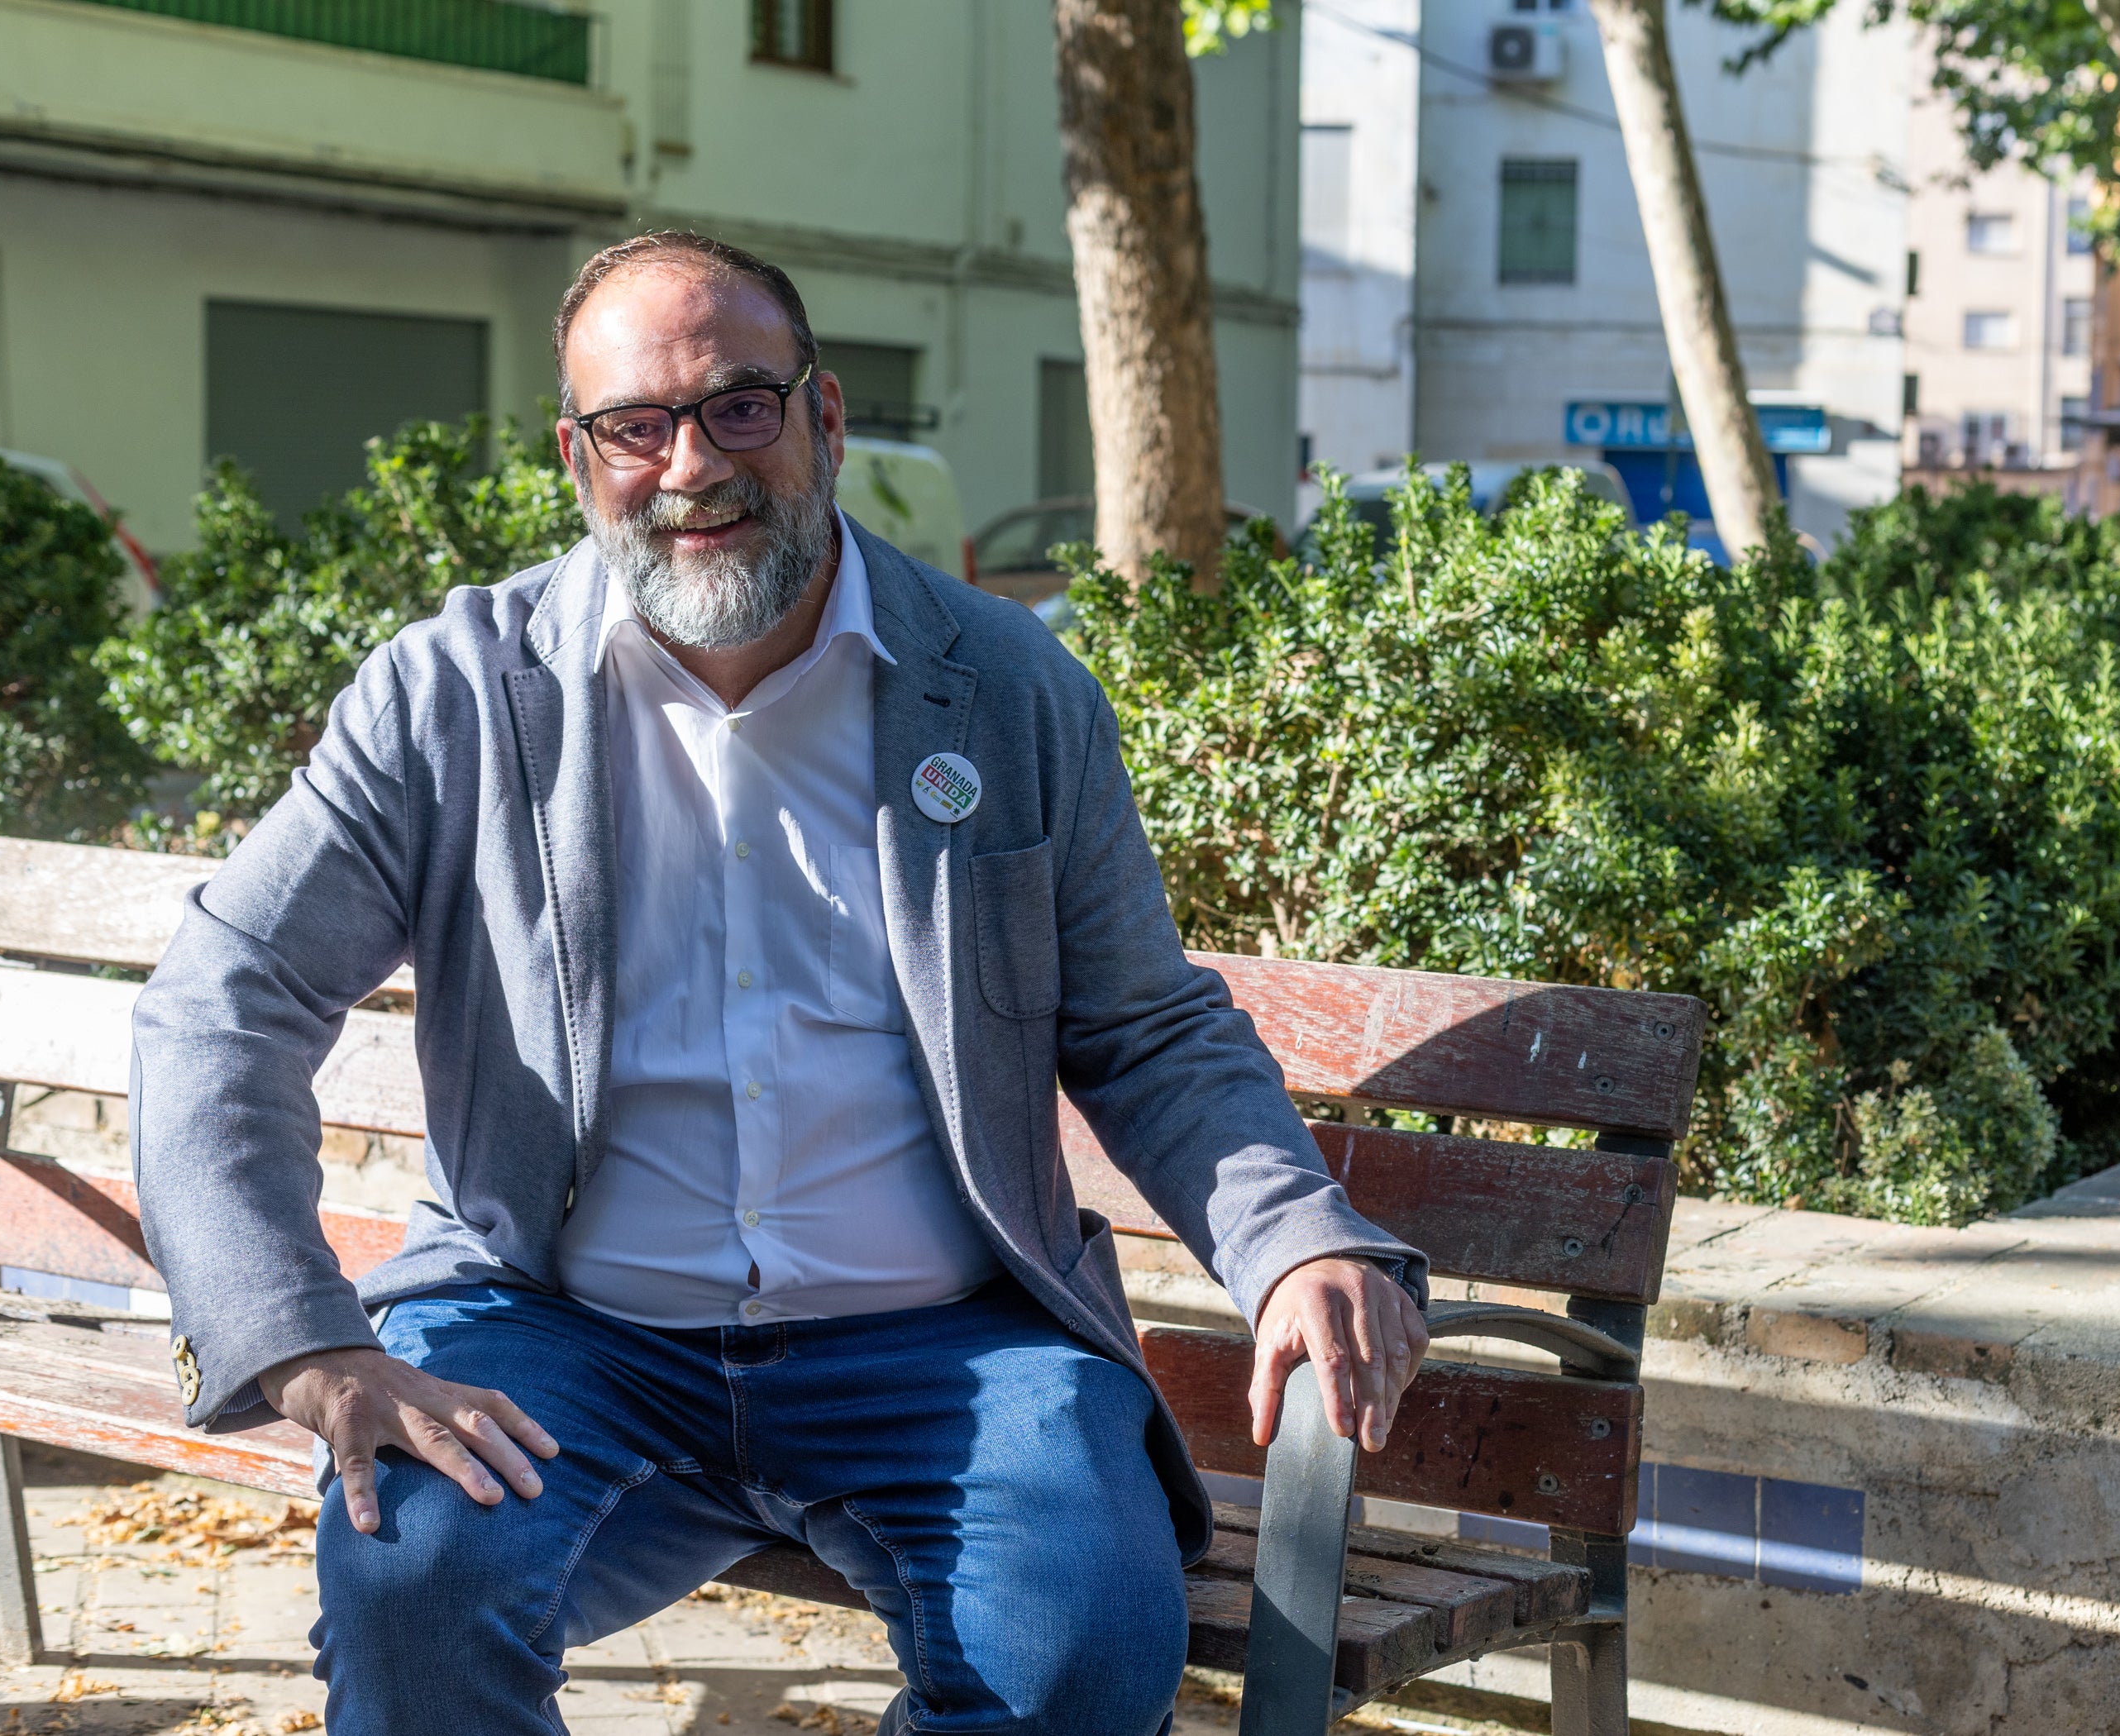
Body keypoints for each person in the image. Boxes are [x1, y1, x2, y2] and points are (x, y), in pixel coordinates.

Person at [130, 230, 1430, 1736]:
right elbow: (225, 996)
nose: (692, 465)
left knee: (1076, 1659)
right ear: (579, 456)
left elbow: (1144, 1027)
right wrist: (301, 1339)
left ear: (823, 420)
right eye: (638, 426)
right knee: (413, 1594)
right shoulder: (458, 695)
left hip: (943, 1336)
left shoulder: (1002, 687)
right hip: (564, 1326)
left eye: (739, 406)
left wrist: (1292, 1241)